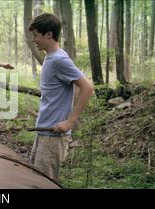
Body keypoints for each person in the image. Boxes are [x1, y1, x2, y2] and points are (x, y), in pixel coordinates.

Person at [28, 13, 94, 181]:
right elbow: (74, 87)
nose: (34, 40)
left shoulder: (58, 59)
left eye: (36, 35)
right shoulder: (53, 58)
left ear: (49, 34)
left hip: (53, 137)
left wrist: (70, 121)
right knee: (34, 178)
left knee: (42, 183)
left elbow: (87, 87)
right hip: (45, 130)